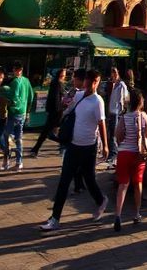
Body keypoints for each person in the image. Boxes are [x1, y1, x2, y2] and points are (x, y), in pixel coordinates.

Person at [39, 69, 109, 231]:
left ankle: (101, 201)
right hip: (73, 146)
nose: (92, 84)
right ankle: (55, 218)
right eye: (90, 81)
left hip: (89, 148)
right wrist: (58, 122)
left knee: (89, 180)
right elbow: (66, 111)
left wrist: (105, 145)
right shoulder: (79, 96)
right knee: (64, 182)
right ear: (85, 81)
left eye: (95, 82)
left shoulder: (98, 101)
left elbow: (102, 123)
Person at [112, 90, 147, 232]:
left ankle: (118, 215)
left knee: (122, 185)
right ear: (141, 102)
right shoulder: (143, 116)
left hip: (124, 153)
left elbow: (117, 135)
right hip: (138, 154)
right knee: (138, 184)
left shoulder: (124, 117)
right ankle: (136, 213)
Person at [0, 61, 34, 171]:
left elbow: (12, 98)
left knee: (6, 136)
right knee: (19, 138)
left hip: (13, 113)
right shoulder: (26, 81)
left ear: (16, 70)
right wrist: (27, 111)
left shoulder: (14, 82)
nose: (15, 72)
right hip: (22, 113)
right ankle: (19, 162)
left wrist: (7, 100)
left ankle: (6, 162)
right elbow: (31, 97)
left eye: (15, 69)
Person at [106, 67, 129, 167]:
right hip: (111, 112)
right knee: (111, 134)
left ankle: (114, 155)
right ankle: (112, 154)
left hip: (116, 112)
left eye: (115, 73)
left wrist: (122, 110)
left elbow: (124, 99)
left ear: (118, 73)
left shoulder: (121, 85)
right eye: (112, 73)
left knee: (114, 134)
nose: (113, 75)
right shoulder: (113, 84)